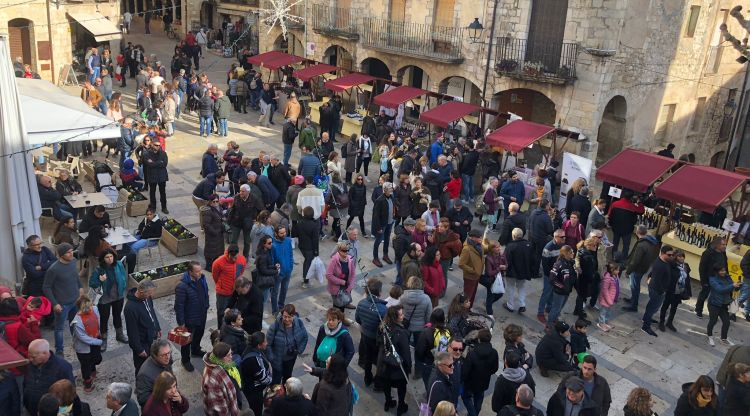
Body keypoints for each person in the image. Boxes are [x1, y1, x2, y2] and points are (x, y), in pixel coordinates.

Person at [42, 243, 81, 354]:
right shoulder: (53, 269)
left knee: (75, 324)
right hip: (62, 304)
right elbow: (46, 287)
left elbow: (75, 275)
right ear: (61, 255)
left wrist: (80, 287)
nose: (71, 254)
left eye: (71, 251)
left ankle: (77, 342)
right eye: (68, 252)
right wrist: (55, 303)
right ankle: (59, 350)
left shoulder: (73, 261)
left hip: (75, 300)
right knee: (59, 329)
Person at [88, 248, 129, 352]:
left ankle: (119, 335)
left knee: (117, 316)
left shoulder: (119, 264)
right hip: (104, 298)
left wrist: (123, 287)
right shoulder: (99, 269)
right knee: (104, 319)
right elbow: (92, 283)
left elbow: (123, 276)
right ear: (103, 258)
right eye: (107, 257)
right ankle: (104, 339)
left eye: (111, 256)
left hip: (118, 296)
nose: (110, 259)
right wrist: (99, 280)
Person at [23, 339, 74, 415]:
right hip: (31, 410)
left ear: (45, 353)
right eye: (29, 356)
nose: (30, 359)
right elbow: (25, 384)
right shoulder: (32, 364)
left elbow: (68, 394)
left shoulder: (63, 368)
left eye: (33, 357)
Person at [376, 305, 411, 415]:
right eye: (401, 314)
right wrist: (408, 367)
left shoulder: (382, 327)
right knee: (401, 388)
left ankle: (388, 402)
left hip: (384, 364)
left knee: (387, 385)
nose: (403, 316)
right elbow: (406, 353)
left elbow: (378, 342)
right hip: (397, 368)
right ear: (395, 317)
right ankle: (401, 406)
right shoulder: (402, 333)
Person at [174, 261, 209, 371]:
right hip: (189, 319)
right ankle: (185, 360)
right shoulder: (182, 286)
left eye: (200, 270)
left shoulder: (202, 279)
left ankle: (195, 350)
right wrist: (181, 323)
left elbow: (205, 293)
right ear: (190, 272)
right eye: (197, 271)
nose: (200, 273)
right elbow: (179, 306)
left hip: (201, 314)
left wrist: (206, 305)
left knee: (199, 334)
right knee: (186, 341)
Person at [123, 279, 161, 376]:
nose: (151, 295)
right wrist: (139, 349)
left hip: (151, 337)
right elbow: (132, 331)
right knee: (142, 368)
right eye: (149, 293)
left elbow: (152, 312)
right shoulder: (130, 308)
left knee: (153, 363)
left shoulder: (147, 297)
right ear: (141, 292)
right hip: (142, 343)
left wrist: (157, 328)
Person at [354, 278, 387, 387]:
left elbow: (357, 319)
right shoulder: (383, 309)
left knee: (368, 356)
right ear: (380, 292)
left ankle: (367, 377)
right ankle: (378, 382)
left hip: (365, 334)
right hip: (377, 338)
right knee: (379, 359)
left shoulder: (361, 303)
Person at [641, 245, 676, 337]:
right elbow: (657, 281)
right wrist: (662, 291)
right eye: (669, 255)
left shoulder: (663, 261)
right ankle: (646, 326)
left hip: (656, 288)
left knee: (651, 306)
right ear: (663, 254)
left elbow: (652, 273)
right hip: (657, 290)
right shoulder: (660, 265)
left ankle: (646, 319)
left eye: (672, 255)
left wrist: (649, 277)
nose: (671, 257)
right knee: (653, 308)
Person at [70, 295, 102, 392]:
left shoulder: (95, 309)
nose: (89, 310)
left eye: (90, 306)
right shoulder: (77, 321)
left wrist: (99, 334)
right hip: (83, 347)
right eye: (86, 308)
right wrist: (98, 341)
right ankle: (87, 383)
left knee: (96, 358)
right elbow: (83, 337)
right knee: (85, 364)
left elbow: (99, 320)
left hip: (95, 339)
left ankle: (92, 370)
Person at [622, 225, 659, 313]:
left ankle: (633, 305)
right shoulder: (650, 242)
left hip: (637, 269)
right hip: (643, 268)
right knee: (636, 285)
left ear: (637, 232)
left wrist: (628, 271)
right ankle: (632, 300)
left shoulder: (641, 244)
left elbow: (635, 260)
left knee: (634, 286)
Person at [463, 329, 499, 416]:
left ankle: (472, 414)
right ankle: (474, 413)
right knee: (478, 399)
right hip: (484, 382)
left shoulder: (472, 353)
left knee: (466, 397)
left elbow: (465, 371)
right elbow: (495, 368)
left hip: (470, 383)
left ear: (479, 339)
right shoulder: (494, 353)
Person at [202, 342, 241, 416]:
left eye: (231, 353)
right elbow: (220, 409)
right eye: (228, 355)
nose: (231, 357)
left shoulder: (223, 365)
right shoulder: (212, 380)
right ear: (220, 357)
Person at [212, 245, 247, 325]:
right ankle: (220, 332)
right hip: (223, 294)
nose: (235, 259)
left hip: (235, 292)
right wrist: (221, 285)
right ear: (228, 254)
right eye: (233, 257)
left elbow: (241, 272)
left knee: (234, 314)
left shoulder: (242, 260)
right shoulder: (218, 262)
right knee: (222, 314)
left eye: (236, 257)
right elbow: (215, 276)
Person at [706, 265, 741, 346]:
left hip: (724, 304)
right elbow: (720, 289)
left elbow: (732, 288)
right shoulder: (712, 279)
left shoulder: (727, 277)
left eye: (724, 270)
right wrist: (732, 285)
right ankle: (710, 336)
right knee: (713, 321)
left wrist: (737, 286)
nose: (723, 272)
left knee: (726, 322)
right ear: (716, 271)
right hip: (714, 304)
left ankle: (723, 338)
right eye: (721, 271)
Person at [240, 331, 273, 416]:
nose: (267, 343)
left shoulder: (249, 349)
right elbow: (264, 379)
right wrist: (270, 378)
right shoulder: (255, 360)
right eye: (265, 342)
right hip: (254, 392)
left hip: (249, 387)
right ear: (259, 345)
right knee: (256, 410)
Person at [696, 236, 729, 318]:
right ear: (717, 245)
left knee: (717, 298)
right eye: (723, 244)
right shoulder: (708, 253)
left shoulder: (723, 253)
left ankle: (714, 314)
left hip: (720, 279)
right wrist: (704, 281)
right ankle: (698, 310)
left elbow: (725, 265)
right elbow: (702, 268)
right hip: (709, 278)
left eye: (725, 244)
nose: (725, 246)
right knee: (704, 295)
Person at [504, 228, 535, 314]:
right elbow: (532, 259)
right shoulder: (528, 245)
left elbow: (507, 260)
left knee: (510, 288)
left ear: (513, 236)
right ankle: (522, 304)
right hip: (524, 272)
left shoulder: (510, 246)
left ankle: (510, 305)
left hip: (512, 272)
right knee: (521, 287)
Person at [538, 229, 566, 323]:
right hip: (549, 274)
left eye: (564, 236)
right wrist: (550, 275)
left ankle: (549, 308)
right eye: (562, 237)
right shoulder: (548, 247)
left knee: (552, 292)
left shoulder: (561, 245)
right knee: (546, 292)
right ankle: (540, 312)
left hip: (557, 274)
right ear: (556, 237)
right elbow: (545, 264)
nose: (564, 238)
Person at [136, 339, 174, 407]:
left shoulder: (167, 359)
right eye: (163, 355)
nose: (168, 357)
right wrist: (164, 395)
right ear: (154, 355)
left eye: (169, 352)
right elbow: (143, 400)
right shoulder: (144, 375)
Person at [608, 193, 645, 257]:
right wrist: (639, 202)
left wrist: (611, 223)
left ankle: (614, 257)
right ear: (631, 198)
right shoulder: (633, 207)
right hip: (627, 230)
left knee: (615, 243)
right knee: (626, 246)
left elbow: (609, 214)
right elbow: (641, 211)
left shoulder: (615, 204)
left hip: (616, 228)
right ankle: (623, 259)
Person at [326, 241, 357, 311]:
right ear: (339, 250)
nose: (346, 252)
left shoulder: (350, 259)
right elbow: (328, 275)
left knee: (343, 303)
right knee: (337, 307)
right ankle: (337, 318)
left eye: (347, 250)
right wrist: (341, 282)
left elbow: (353, 274)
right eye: (344, 251)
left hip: (346, 286)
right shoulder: (334, 260)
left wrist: (350, 286)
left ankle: (345, 305)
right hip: (336, 287)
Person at [372, 182, 396, 267]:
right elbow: (375, 216)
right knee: (378, 241)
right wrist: (378, 227)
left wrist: (394, 218)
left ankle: (385, 255)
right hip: (382, 225)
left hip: (389, 222)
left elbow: (393, 207)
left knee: (387, 239)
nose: (392, 190)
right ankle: (375, 258)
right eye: (390, 189)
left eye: (391, 188)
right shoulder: (379, 200)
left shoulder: (392, 197)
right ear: (385, 190)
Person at [458, 228, 483, 307]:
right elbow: (461, 264)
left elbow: (484, 250)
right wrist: (473, 270)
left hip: (476, 275)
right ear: (472, 238)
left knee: (473, 294)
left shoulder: (478, 245)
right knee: (467, 295)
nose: (480, 239)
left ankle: (469, 309)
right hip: (470, 276)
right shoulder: (467, 249)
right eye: (478, 237)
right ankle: (463, 310)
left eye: (480, 237)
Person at [483, 240, 508, 315]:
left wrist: (505, 267)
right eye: (497, 247)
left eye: (499, 246)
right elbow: (489, 273)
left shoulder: (502, 255)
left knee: (500, 293)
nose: (499, 248)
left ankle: (488, 304)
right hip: (491, 280)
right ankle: (489, 315)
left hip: (499, 279)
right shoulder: (488, 258)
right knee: (490, 296)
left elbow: (506, 264)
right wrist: (499, 268)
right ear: (492, 249)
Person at [597, 262, 620, 332]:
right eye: (617, 270)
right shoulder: (607, 278)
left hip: (611, 299)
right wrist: (609, 301)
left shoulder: (615, 276)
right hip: (606, 300)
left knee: (608, 312)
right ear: (612, 270)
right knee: (603, 313)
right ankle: (601, 324)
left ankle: (606, 323)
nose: (618, 271)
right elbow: (604, 290)